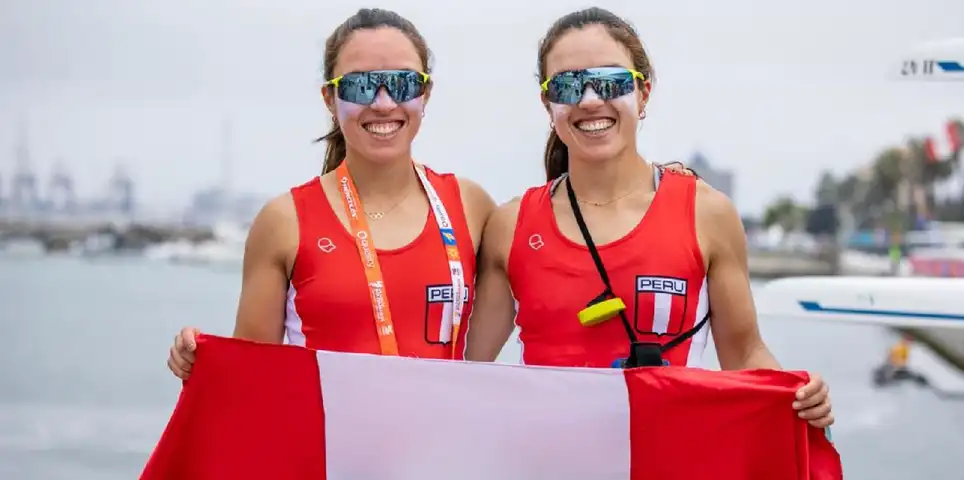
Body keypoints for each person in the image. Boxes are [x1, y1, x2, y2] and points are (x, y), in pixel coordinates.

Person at [466, 7, 833, 429]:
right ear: (548, 103)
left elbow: (745, 356)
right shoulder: (512, 226)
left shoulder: (705, 214)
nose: (589, 100)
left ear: (643, 93)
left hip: (669, 471)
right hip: (551, 478)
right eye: (567, 85)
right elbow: (466, 369)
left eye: (611, 82)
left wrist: (799, 395)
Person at [167, 8, 499, 379]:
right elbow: (252, 376)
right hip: (323, 438)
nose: (384, 103)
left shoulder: (471, 207)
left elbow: (547, 305)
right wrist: (199, 361)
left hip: (445, 436)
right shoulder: (286, 221)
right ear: (330, 98)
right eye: (361, 85)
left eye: (403, 83)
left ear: (426, 93)